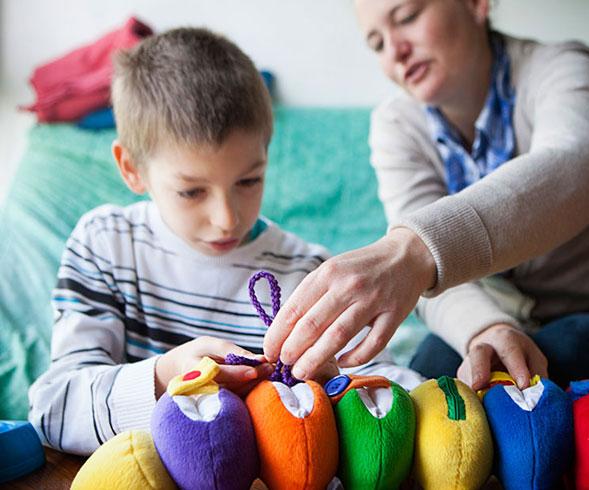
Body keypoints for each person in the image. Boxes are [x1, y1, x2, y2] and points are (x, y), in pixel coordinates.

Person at [27, 27, 421, 456]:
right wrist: (165, 376)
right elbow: (53, 410)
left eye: (248, 181)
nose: (227, 219)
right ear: (132, 169)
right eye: (192, 191)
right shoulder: (105, 246)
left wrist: (337, 387)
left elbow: (387, 392)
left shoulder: (307, 273)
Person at [263, 0, 589, 404]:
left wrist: (414, 251)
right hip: (496, 318)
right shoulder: (397, 125)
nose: (395, 51)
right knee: (436, 372)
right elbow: (427, 288)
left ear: (476, 4)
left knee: (567, 349)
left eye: (407, 17)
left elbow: (577, 170)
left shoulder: (562, 67)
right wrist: (485, 329)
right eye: (377, 44)